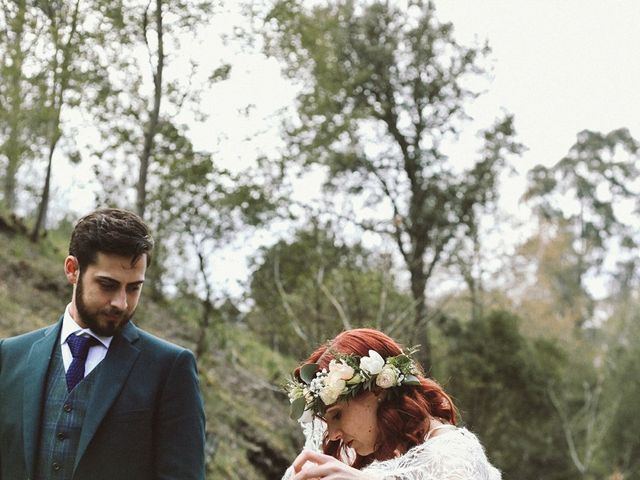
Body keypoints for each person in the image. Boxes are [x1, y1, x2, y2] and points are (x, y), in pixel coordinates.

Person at [0, 208, 206, 480]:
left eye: (134, 288)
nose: (121, 303)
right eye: (108, 285)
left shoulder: (169, 368)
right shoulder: (9, 357)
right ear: (72, 270)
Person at [282, 328, 501, 480]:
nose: (332, 435)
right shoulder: (354, 457)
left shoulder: (454, 453)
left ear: (378, 390)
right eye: (326, 422)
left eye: (337, 415)